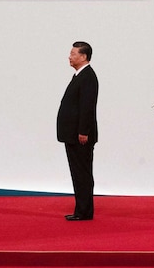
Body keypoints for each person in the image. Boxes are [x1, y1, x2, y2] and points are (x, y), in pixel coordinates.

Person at [56, 41, 99, 221]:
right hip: (73, 134)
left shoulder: (88, 76)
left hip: (80, 136)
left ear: (83, 56)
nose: (70, 56)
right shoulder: (80, 76)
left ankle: (84, 211)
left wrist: (83, 131)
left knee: (82, 173)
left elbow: (87, 107)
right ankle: (81, 209)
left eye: (73, 54)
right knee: (79, 172)